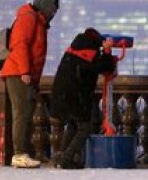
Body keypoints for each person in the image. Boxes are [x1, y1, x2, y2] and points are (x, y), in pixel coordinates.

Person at [0, 0, 59, 168]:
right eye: (52, 8)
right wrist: (25, 71)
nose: (54, 12)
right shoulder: (28, 18)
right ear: (44, 7)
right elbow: (20, 44)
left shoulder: (38, 21)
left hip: (24, 73)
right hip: (18, 72)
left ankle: (24, 152)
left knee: (25, 114)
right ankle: (19, 154)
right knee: (21, 113)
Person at [49, 28, 117, 170]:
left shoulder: (73, 49)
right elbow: (107, 66)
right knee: (85, 127)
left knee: (74, 124)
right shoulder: (89, 53)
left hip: (60, 94)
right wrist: (106, 51)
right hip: (76, 96)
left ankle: (59, 156)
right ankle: (66, 159)